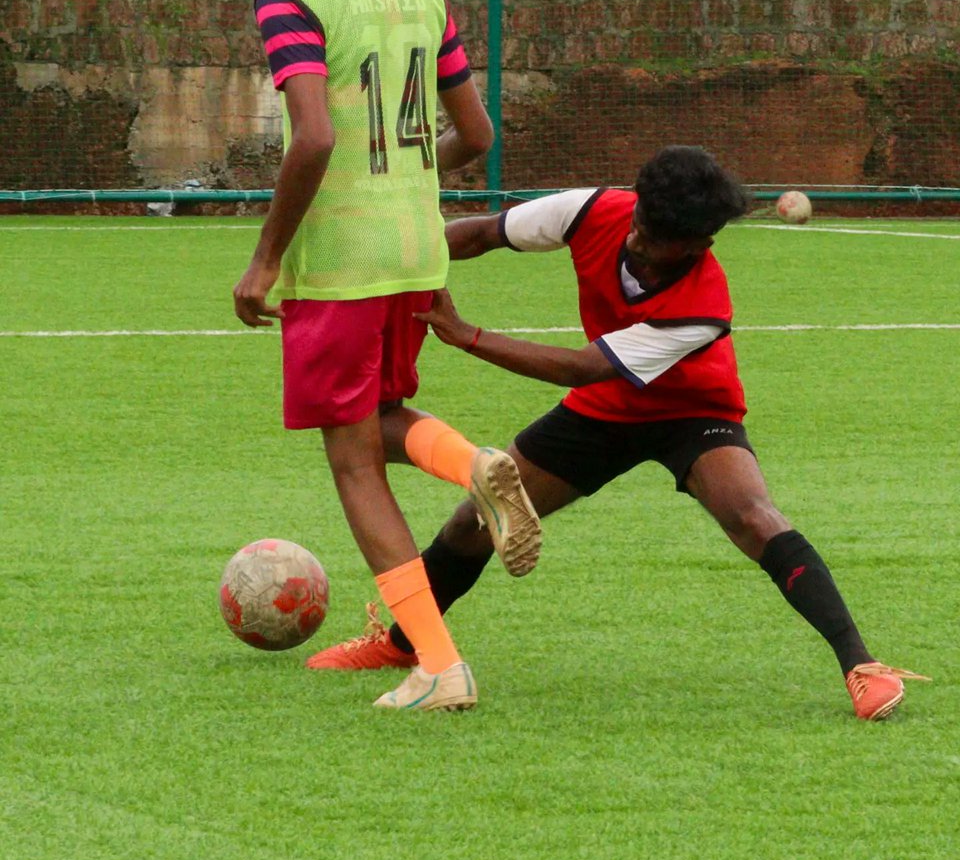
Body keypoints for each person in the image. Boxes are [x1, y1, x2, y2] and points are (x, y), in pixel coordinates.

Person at [309, 145, 928, 721]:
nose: (636, 238)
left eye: (655, 239)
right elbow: (479, 234)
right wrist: (388, 266)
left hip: (691, 409)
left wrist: (468, 335)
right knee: (475, 521)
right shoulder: (590, 211)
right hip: (604, 409)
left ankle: (861, 664)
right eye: (639, 219)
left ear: (698, 244)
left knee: (753, 517)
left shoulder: (703, 305)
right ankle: (399, 643)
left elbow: (583, 365)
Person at [232, 0, 541, 714]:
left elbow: (315, 136)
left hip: (343, 258)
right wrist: (405, 176)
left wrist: (265, 259)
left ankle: (438, 663)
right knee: (381, 413)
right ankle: (474, 464)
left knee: (352, 458)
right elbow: (477, 136)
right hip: (418, 246)